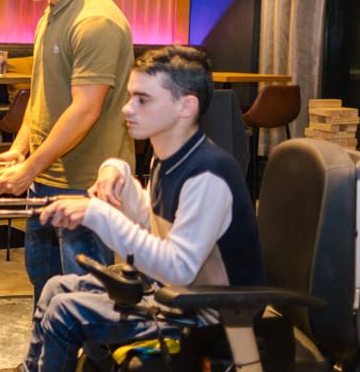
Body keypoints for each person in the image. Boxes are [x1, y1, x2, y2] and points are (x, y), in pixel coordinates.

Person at [24, 46, 266, 371]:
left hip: (209, 315)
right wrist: (117, 172)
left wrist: (99, 214)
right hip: (176, 296)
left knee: (66, 313)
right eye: (129, 97)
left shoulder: (208, 174)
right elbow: (154, 226)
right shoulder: (167, 155)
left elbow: (177, 267)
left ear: (186, 106)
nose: (127, 109)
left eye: (143, 99)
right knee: (56, 287)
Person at [0, 0, 135, 301]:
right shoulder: (51, 12)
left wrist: (29, 167)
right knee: (46, 288)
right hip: (46, 176)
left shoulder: (94, 19)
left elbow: (85, 110)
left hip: (85, 185)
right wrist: (20, 149)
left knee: (87, 301)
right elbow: (41, 95)